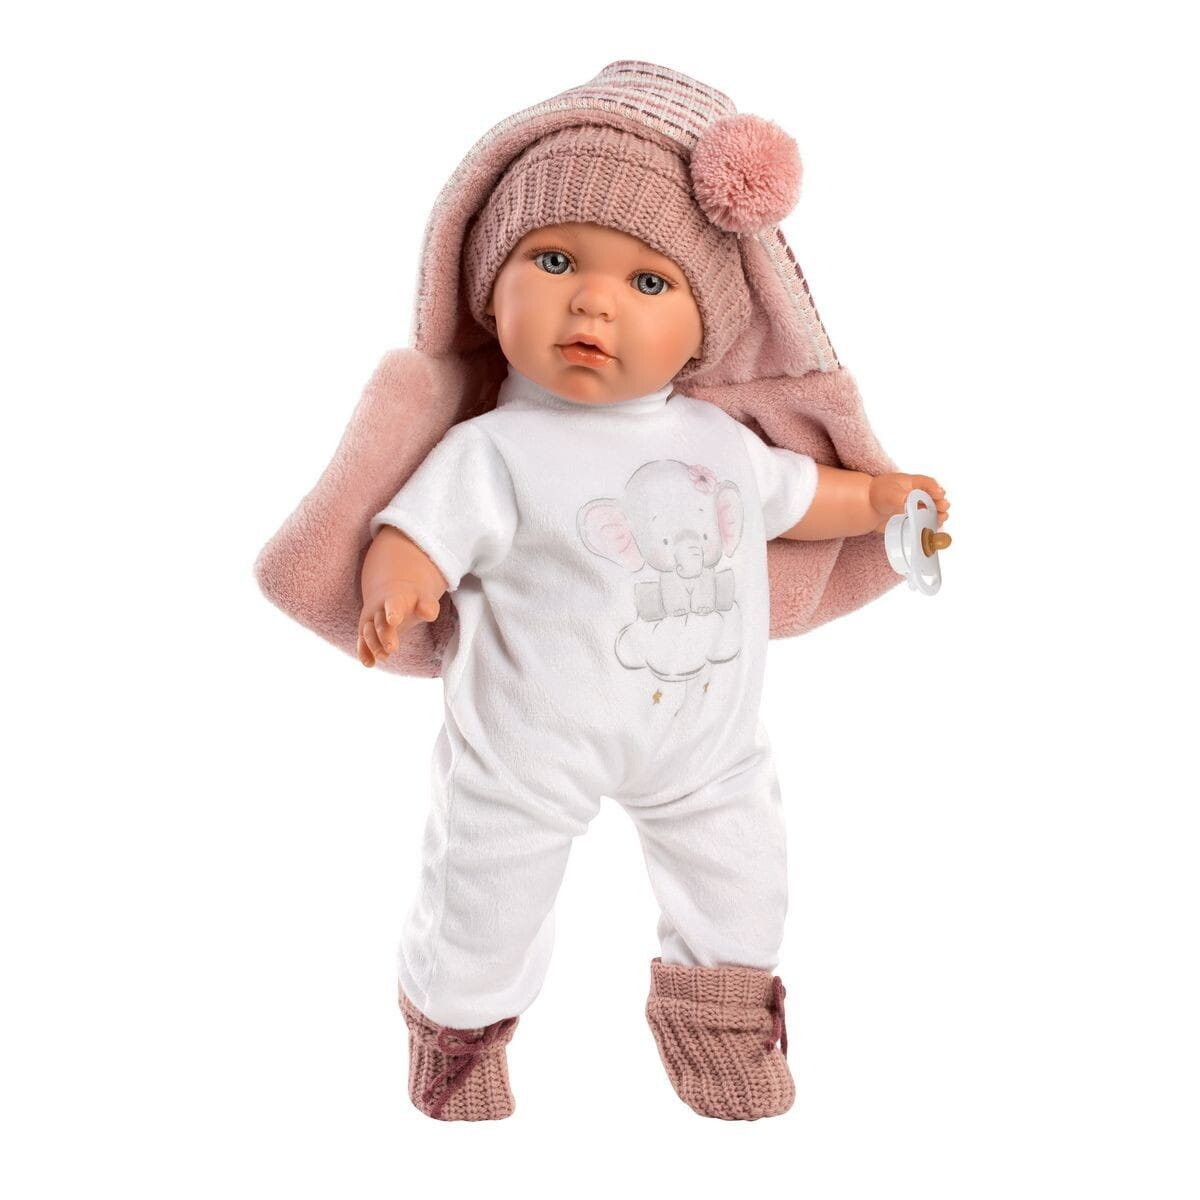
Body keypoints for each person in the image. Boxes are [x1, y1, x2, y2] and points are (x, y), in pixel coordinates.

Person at [255, 61, 949, 1123]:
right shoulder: (496, 449)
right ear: (488, 285)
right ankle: (457, 1046)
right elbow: (414, 531)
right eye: (555, 259)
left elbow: (804, 496)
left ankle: (722, 1035)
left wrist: (884, 499)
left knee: (744, 884)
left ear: (708, 325)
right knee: (485, 895)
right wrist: (401, 584)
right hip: (528, 748)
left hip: (707, 746)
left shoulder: (719, 440)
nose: (593, 298)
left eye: (650, 283)